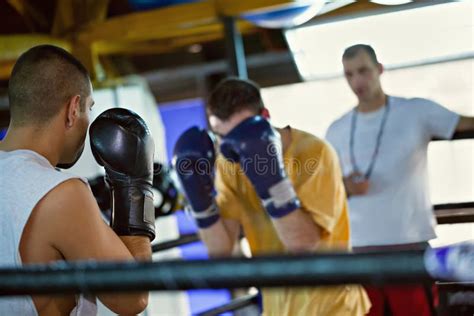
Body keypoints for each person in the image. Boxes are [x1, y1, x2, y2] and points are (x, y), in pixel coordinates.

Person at [173, 78, 371, 315]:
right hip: (277, 308)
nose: (232, 147)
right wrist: (199, 200)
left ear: (264, 116)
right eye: (222, 138)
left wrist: (270, 180)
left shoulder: (314, 153)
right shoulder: (229, 166)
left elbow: (304, 244)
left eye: (240, 134)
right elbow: (221, 250)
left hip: (333, 307)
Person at [0, 45, 156, 315]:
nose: (89, 121)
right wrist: (136, 186)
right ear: (73, 109)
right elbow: (133, 297)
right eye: (88, 108)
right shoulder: (60, 193)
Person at [325, 44, 474, 316]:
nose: (357, 81)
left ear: (379, 70)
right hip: (357, 250)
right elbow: (325, 189)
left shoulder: (415, 111)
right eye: (349, 74)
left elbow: (465, 124)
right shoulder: (336, 129)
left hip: (409, 245)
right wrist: (343, 186)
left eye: (363, 71)